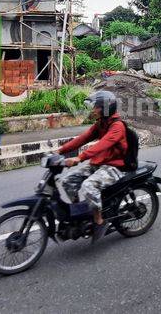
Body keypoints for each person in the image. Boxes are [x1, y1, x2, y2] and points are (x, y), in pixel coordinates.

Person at [55, 91, 127, 243]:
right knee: (68, 180)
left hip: (115, 167)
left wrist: (80, 158)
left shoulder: (117, 127)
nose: (93, 110)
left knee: (88, 186)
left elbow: (102, 144)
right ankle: (79, 214)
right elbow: (82, 139)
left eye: (96, 107)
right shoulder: (100, 124)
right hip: (99, 164)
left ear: (105, 109)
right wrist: (60, 151)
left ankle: (99, 221)